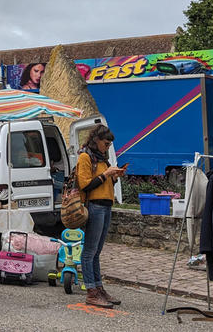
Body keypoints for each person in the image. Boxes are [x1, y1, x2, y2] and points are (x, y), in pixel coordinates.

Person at [76, 124, 125, 309]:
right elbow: (85, 184)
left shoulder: (101, 158)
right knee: (89, 252)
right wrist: (106, 174)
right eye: (106, 143)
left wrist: (114, 176)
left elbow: (103, 183)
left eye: (110, 144)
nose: (108, 147)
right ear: (96, 140)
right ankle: (91, 291)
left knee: (96, 252)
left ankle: (98, 287)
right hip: (94, 206)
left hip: (105, 205)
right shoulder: (85, 157)